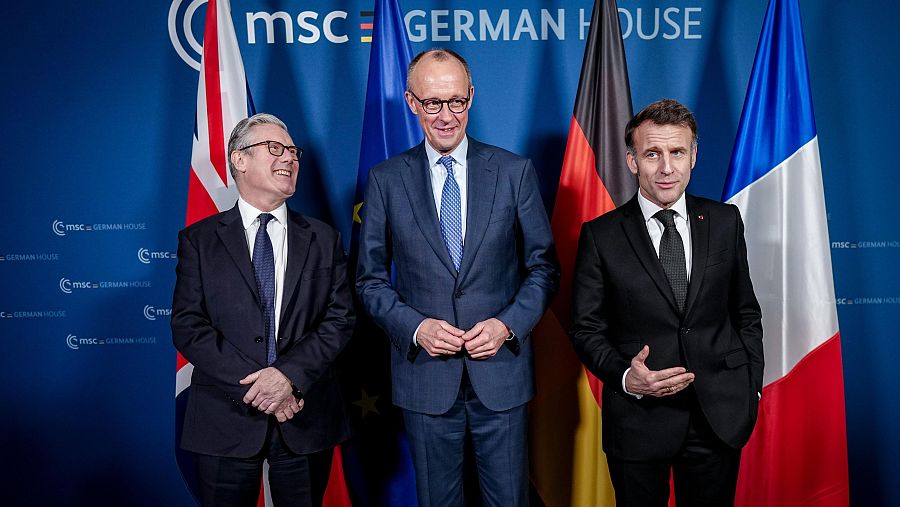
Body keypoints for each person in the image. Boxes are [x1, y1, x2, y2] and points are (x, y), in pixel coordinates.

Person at [355, 49, 559, 506]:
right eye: (433, 103)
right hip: (425, 378)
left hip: (501, 374)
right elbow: (368, 280)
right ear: (411, 102)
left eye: (456, 102)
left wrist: (507, 324)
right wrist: (416, 327)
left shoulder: (513, 172)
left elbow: (544, 267)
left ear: (471, 97)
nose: (446, 116)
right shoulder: (386, 179)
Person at [569, 99, 763, 506]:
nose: (666, 167)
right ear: (632, 160)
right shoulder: (600, 236)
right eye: (652, 154)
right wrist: (625, 376)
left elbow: (745, 312)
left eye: (677, 152)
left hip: (718, 416)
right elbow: (586, 328)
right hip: (639, 420)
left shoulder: (725, 221)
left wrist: (750, 390)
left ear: (693, 156)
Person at [171, 113, 354, 506]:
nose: (289, 158)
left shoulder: (324, 238)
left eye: (292, 151)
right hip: (224, 419)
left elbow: (339, 320)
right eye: (275, 148)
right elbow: (188, 326)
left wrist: (287, 378)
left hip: (303, 415)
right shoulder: (199, 240)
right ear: (239, 160)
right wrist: (262, 388)